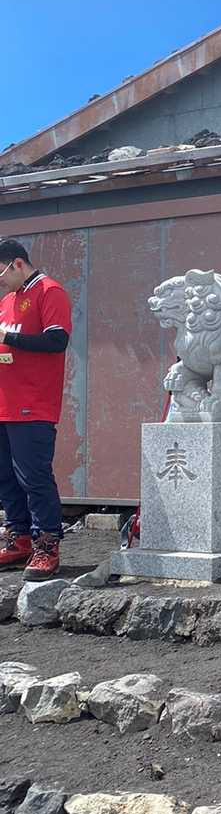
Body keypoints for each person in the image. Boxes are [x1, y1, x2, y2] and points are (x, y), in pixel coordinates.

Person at [0, 239, 73, 579]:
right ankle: (20, 538)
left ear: (17, 264)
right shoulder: (8, 301)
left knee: (34, 477)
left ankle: (47, 545)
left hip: (33, 405)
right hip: (5, 404)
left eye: (0, 274)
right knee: (6, 477)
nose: (1, 282)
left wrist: (9, 338)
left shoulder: (49, 291)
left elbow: (57, 340)